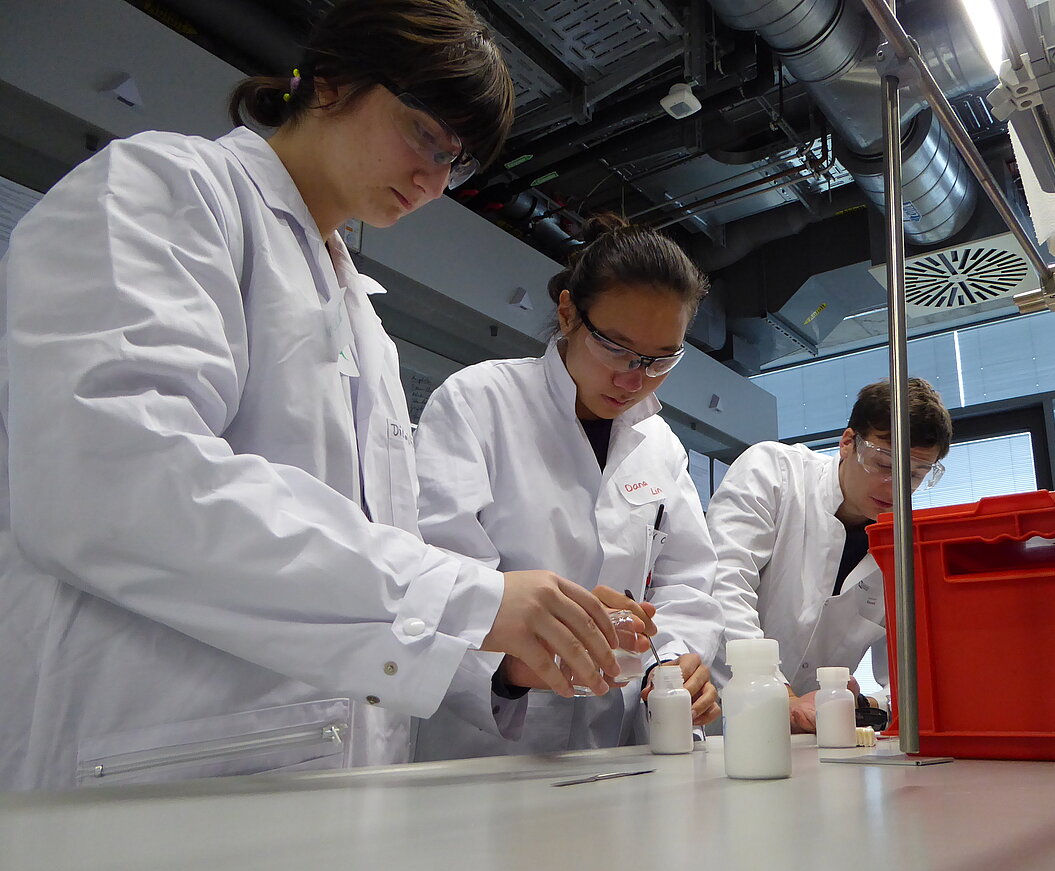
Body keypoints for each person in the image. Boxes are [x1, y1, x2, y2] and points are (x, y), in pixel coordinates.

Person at [0, 0, 631, 792]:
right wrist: (465, 599)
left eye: (458, 164)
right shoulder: (166, 189)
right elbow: (113, 481)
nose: (434, 181)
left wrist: (497, 656)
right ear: (330, 83)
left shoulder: (363, 318)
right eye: (426, 137)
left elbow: (361, 567)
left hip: (317, 780)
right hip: (145, 767)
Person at [412, 215, 724, 759]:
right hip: (489, 744)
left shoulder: (660, 445)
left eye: (660, 360)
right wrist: (511, 667)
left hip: (613, 745)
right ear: (569, 313)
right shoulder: (479, 402)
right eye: (616, 348)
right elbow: (436, 571)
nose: (634, 379)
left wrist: (672, 662)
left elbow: (686, 582)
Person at [706, 379, 952, 732]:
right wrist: (779, 696)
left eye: (914, 474)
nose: (895, 485)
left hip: (818, 738)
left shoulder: (906, 545)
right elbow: (725, 586)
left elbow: (910, 671)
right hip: (723, 719)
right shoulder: (774, 472)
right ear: (848, 442)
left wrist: (866, 705)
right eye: (884, 464)